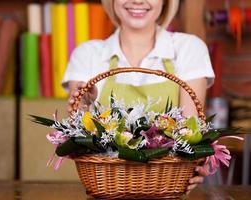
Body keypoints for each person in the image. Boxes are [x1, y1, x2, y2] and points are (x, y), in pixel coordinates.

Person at [63, 0, 215, 194]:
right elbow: (80, 138)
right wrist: (85, 104)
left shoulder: (188, 48)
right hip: (108, 187)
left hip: (167, 186)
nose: (137, 1)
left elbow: (189, 130)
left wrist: (194, 161)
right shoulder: (88, 54)